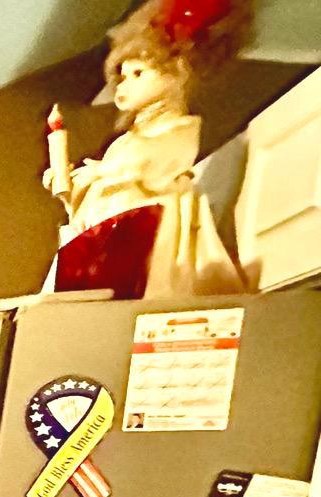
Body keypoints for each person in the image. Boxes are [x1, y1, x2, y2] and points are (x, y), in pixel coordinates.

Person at [44, 0, 251, 298]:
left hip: (142, 240)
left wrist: (102, 173)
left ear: (177, 72)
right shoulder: (125, 141)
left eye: (138, 74)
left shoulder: (177, 128)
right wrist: (72, 184)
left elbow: (153, 167)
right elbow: (98, 201)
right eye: (123, 76)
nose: (123, 86)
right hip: (106, 242)